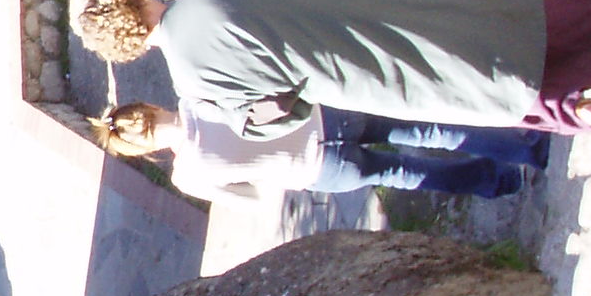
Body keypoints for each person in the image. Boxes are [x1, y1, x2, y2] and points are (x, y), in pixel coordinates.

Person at [74, 0, 591, 136]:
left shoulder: (197, 90)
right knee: (475, 17)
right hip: (365, 6)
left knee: (463, 86)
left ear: (131, 48)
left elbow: (281, 119)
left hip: (356, 80)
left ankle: (589, 110)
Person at [89, 98, 547, 200]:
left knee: (405, 173)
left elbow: (252, 199)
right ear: (150, 107)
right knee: (423, 130)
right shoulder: (197, 94)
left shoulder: (188, 176)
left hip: (318, 170)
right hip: (324, 117)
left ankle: (496, 182)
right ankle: (523, 148)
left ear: (141, 150)